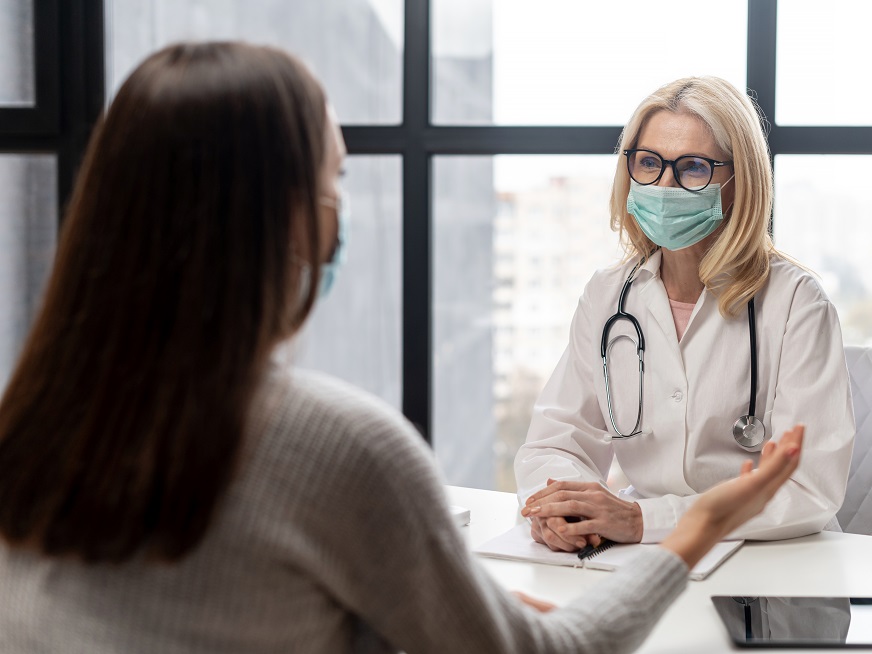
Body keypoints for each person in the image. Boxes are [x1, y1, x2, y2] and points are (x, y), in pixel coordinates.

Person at [0, 43, 805, 654]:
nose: (343, 210)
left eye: (690, 167)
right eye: (338, 178)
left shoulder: (30, 427)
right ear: (290, 219)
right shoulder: (339, 446)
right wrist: (697, 524)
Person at [514, 76, 854, 553]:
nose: (665, 185)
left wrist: (642, 520)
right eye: (649, 163)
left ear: (740, 182)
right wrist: (563, 509)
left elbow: (808, 489)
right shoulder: (608, 295)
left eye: (693, 167)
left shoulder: (797, 302)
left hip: (772, 555)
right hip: (643, 552)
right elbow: (556, 442)